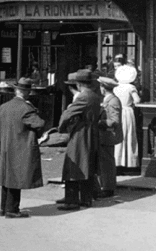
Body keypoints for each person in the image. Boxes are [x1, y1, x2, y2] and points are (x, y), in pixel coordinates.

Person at [0, 77, 45, 218]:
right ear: (27, 92)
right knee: (16, 178)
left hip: (5, 147)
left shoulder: (3, 107)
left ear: (16, 90)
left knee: (6, 178)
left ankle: (4, 208)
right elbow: (39, 124)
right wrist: (35, 110)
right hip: (19, 147)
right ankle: (12, 210)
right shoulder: (26, 109)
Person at [53, 70, 101, 210]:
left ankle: (72, 200)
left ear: (79, 84)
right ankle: (86, 199)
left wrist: (61, 127)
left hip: (80, 133)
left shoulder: (83, 97)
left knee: (73, 165)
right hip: (92, 133)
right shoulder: (95, 96)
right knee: (87, 165)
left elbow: (68, 114)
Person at [96, 76, 122, 198]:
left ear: (103, 88)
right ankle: (105, 185)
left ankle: (108, 188)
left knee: (107, 162)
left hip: (107, 135)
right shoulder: (108, 99)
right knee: (104, 161)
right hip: (104, 135)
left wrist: (98, 123)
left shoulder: (113, 101)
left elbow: (114, 121)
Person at [113, 64, 141, 171]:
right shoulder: (130, 87)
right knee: (128, 135)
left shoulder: (115, 86)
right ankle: (128, 161)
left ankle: (117, 160)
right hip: (127, 112)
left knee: (118, 135)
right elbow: (137, 100)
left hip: (118, 111)